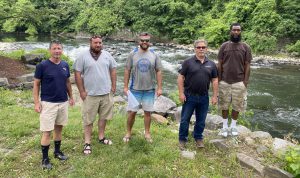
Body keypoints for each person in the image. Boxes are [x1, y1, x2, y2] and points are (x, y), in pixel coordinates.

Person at [33, 40, 74, 170]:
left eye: (59, 49)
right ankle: (45, 159)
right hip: (48, 103)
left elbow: (67, 82)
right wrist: (36, 102)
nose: (57, 51)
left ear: (62, 50)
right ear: (50, 50)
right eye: (54, 48)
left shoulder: (65, 65)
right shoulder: (42, 66)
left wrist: (71, 97)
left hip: (62, 102)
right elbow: (36, 84)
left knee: (59, 128)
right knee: (47, 132)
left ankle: (57, 152)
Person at [74, 35, 117, 155]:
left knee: (103, 117)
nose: (98, 45)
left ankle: (101, 137)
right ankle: (87, 142)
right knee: (88, 119)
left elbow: (113, 69)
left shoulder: (107, 55)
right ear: (90, 43)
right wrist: (82, 91)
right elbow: (77, 73)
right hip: (90, 94)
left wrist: (113, 86)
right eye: (95, 43)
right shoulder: (82, 56)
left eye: (100, 43)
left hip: (105, 93)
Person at [177, 39, 218, 150]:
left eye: (203, 47)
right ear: (195, 49)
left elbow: (214, 80)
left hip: (204, 97)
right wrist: (181, 93)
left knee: (201, 120)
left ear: (206, 49)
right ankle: (182, 139)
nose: (201, 49)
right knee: (185, 119)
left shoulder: (212, 64)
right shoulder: (187, 62)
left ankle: (198, 137)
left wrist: (215, 96)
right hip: (189, 96)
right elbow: (180, 77)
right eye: (198, 47)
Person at [123, 32, 162, 143]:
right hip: (135, 89)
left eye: (147, 41)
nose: (144, 42)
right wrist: (125, 87)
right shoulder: (132, 54)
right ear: (139, 41)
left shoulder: (154, 54)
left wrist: (159, 88)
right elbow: (127, 69)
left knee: (147, 113)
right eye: (142, 40)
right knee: (132, 112)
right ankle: (128, 132)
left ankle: (147, 133)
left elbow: (159, 71)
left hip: (149, 90)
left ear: (150, 42)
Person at [217, 23, 252, 137]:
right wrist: (219, 80)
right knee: (224, 105)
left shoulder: (245, 47)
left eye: (238, 30)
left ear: (240, 32)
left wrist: (245, 82)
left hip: (239, 82)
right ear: (230, 31)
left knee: (237, 106)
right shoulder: (224, 46)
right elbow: (219, 64)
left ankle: (233, 127)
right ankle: (225, 127)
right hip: (225, 81)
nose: (236, 32)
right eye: (234, 30)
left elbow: (247, 65)